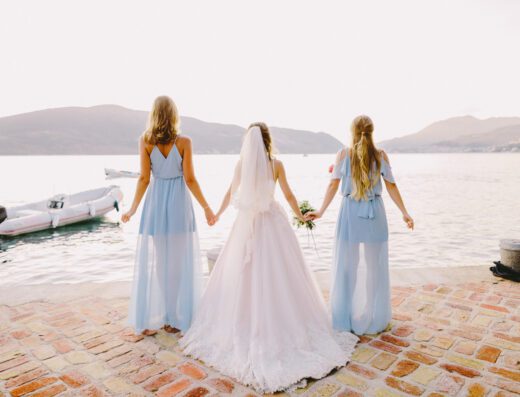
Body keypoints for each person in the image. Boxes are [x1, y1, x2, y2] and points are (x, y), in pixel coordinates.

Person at [179, 123, 358, 394]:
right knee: (281, 275)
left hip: (246, 225)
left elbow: (230, 193)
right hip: (273, 224)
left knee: (245, 276)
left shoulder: (241, 166)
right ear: (267, 141)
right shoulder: (277, 165)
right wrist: (300, 215)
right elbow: (287, 195)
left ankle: (246, 325)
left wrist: (215, 213)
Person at [306, 115, 413, 335]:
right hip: (375, 214)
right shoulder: (381, 155)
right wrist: (405, 213)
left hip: (350, 214)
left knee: (348, 266)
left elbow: (333, 185)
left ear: (352, 131)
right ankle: (372, 315)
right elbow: (392, 186)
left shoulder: (344, 154)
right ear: (372, 132)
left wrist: (320, 211)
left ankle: (346, 315)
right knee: (375, 268)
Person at [122, 96, 216, 335]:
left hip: (155, 203)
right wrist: (206, 206)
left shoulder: (145, 140)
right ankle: (174, 318)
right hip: (177, 205)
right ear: (174, 114)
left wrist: (133, 209)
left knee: (162, 264)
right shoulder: (184, 141)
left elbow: (144, 178)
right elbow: (190, 179)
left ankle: (164, 314)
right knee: (178, 264)